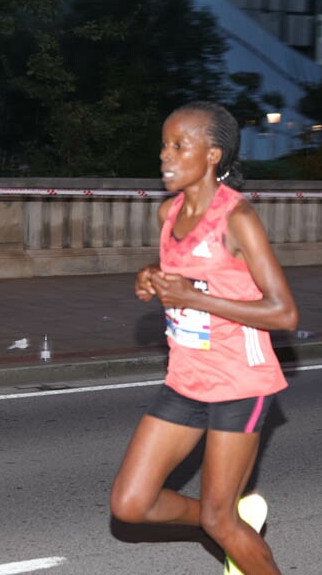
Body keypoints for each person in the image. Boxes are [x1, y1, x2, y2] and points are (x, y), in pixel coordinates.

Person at [110, 101, 298, 575]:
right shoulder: (167, 214)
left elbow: (284, 312)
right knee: (131, 504)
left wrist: (195, 298)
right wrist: (152, 277)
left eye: (179, 146)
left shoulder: (238, 219)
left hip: (241, 382)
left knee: (219, 520)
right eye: (163, 145)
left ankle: (229, 526)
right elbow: (186, 278)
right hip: (187, 378)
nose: (165, 156)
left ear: (212, 155)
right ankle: (230, 520)